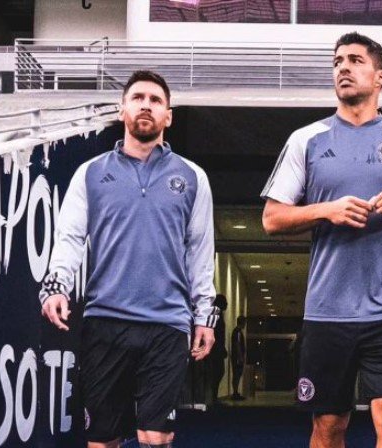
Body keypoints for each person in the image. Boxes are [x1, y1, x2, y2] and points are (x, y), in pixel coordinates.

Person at [261, 32, 382, 448]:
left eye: (356, 60)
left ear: (380, 77)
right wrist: (326, 210)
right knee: (329, 427)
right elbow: (272, 219)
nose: (343, 67)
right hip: (328, 312)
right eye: (338, 61)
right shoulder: (306, 139)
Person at [39, 70, 219, 448]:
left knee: (155, 436)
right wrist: (56, 285)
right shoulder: (89, 174)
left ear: (168, 116)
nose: (146, 106)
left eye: (155, 100)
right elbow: (70, 237)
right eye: (138, 98)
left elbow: (200, 250)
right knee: (103, 440)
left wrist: (204, 315)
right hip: (106, 322)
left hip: (168, 324)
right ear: (122, 110)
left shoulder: (193, 177)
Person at [208, 294, 228, 405]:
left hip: (217, 349)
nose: (227, 304)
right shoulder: (216, 316)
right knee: (217, 372)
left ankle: (213, 397)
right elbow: (217, 334)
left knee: (218, 373)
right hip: (216, 350)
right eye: (225, 302)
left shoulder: (218, 315)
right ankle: (213, 398)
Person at [230, 316, 247, 400]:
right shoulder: (237, 332)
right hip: (237, 357)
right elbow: (237, 344)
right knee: (237, 374)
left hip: (236, 356)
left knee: (237, 374)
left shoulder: (237, 332)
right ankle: (235, 393)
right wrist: (240, 357)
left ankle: (235, 392)